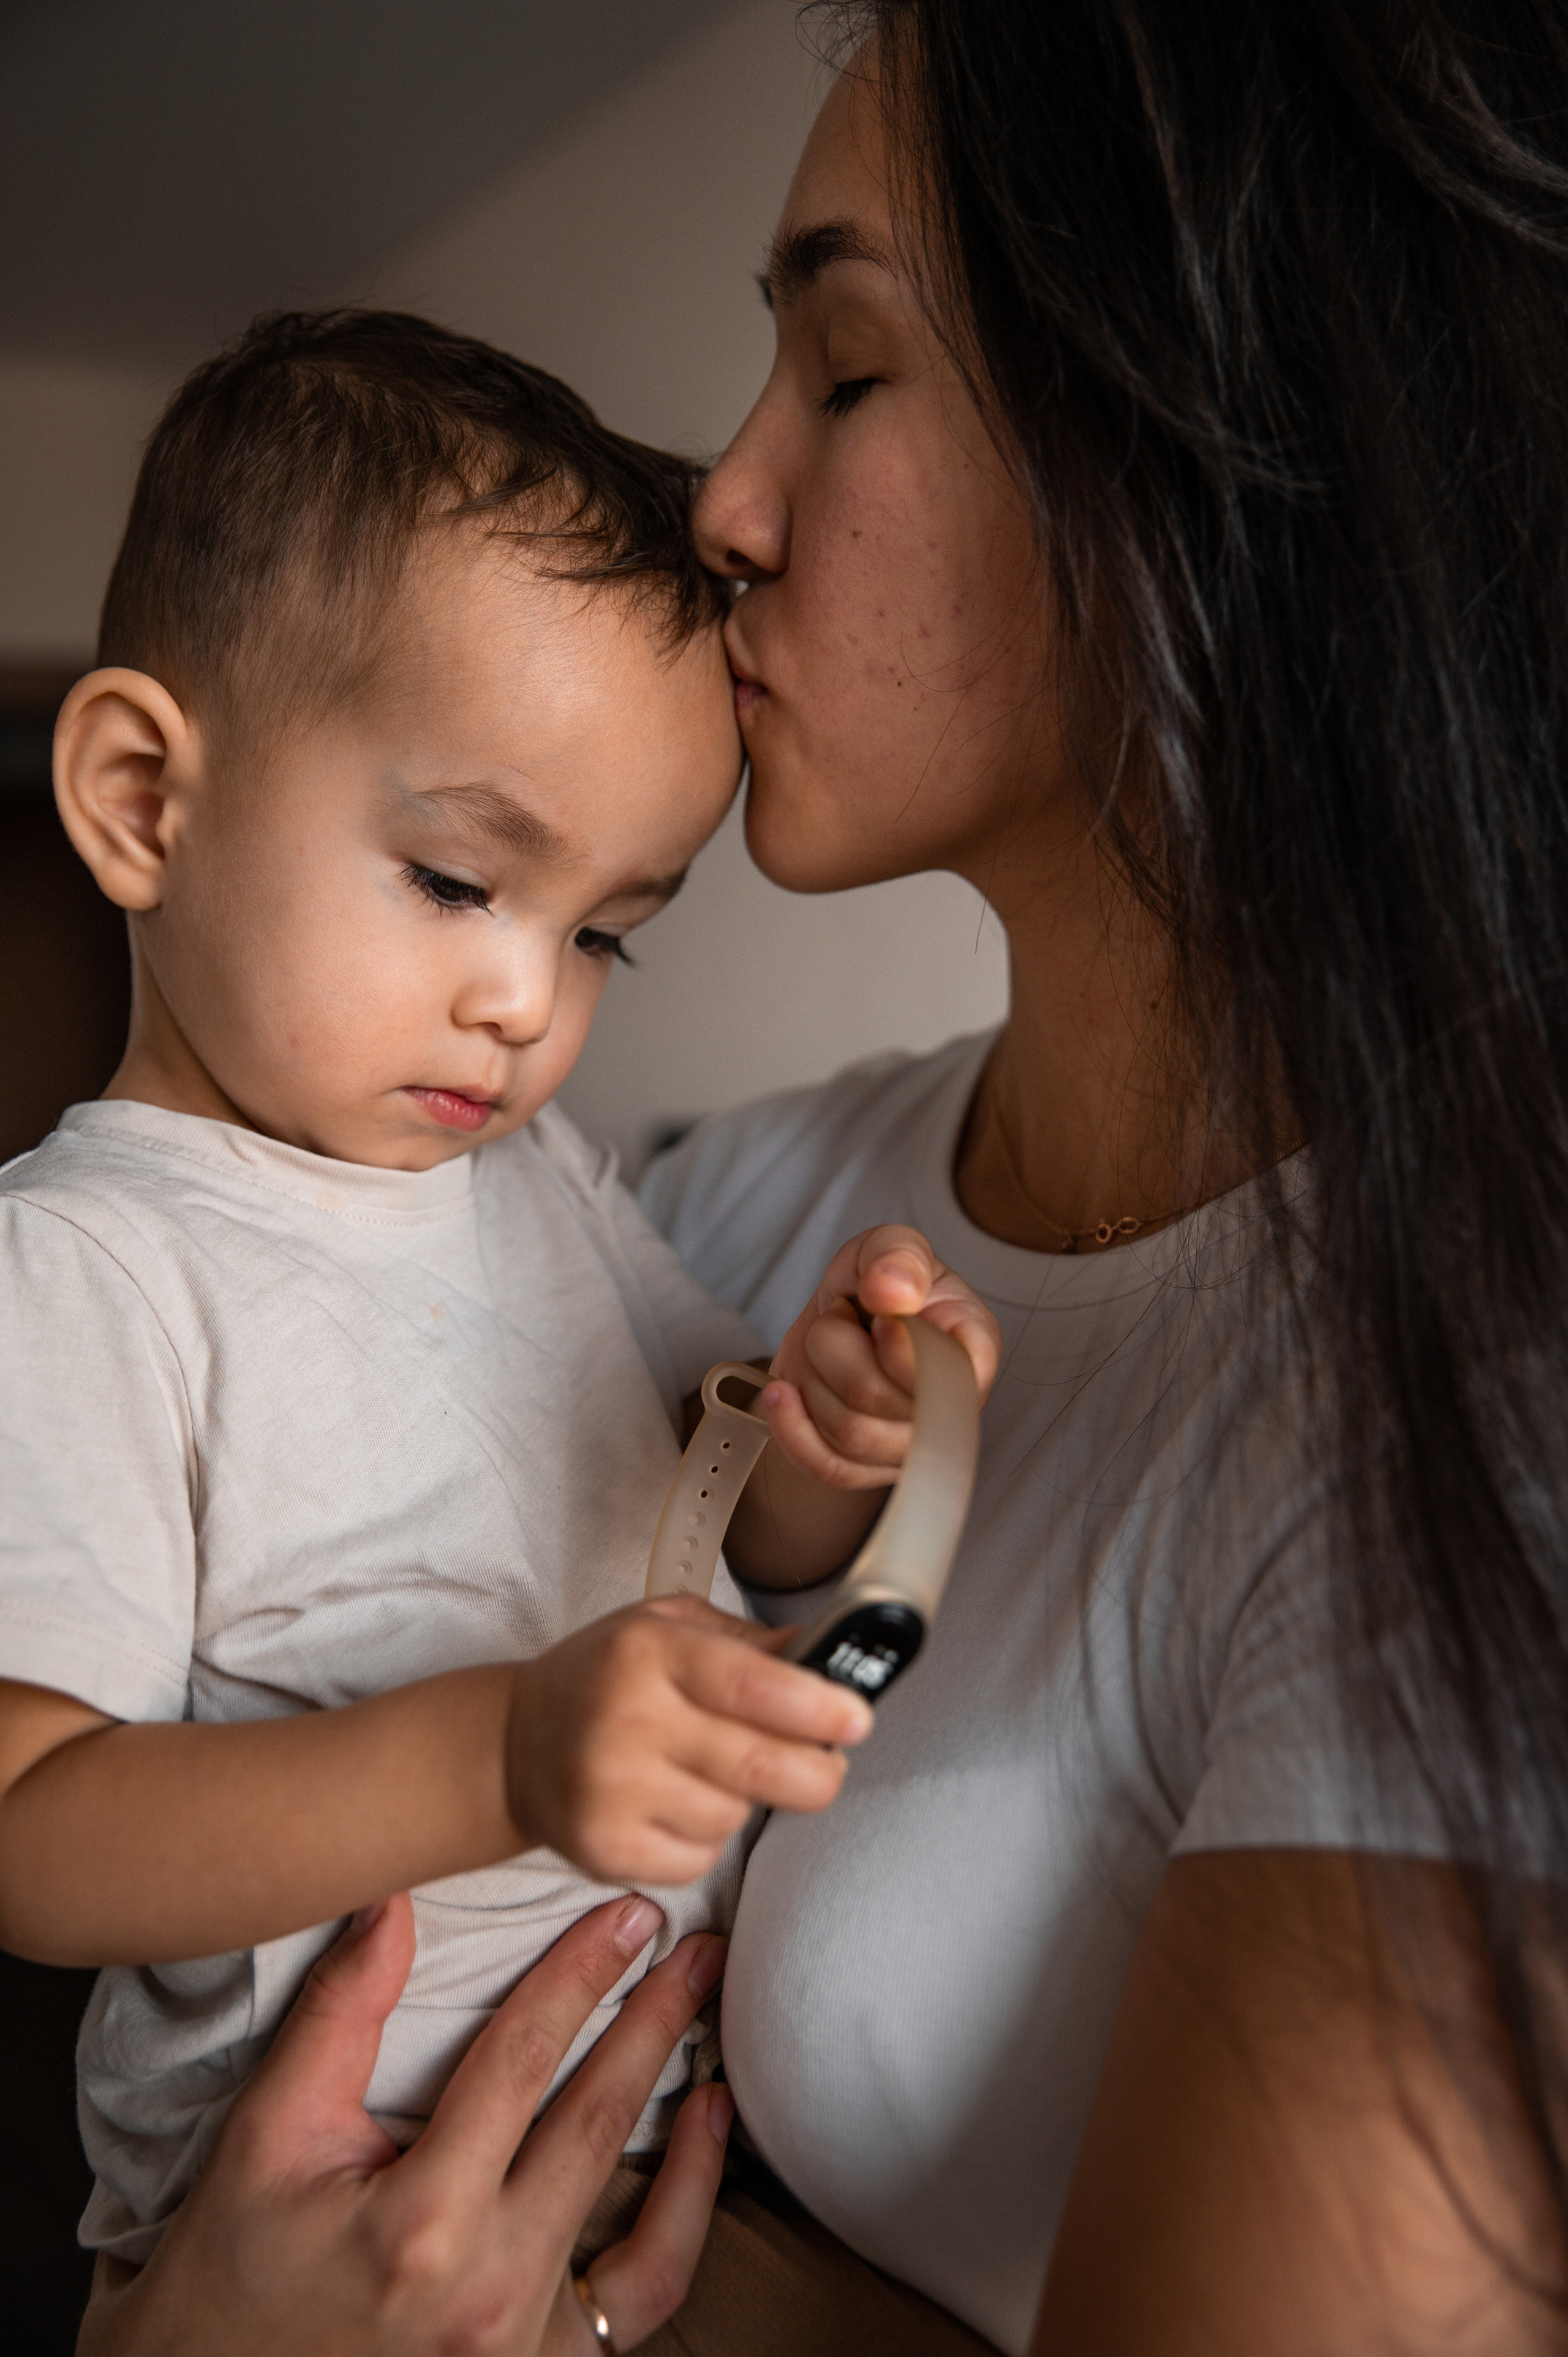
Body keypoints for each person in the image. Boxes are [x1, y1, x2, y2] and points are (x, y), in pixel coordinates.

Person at [77, 1, 1568, 2350]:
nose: (723, 502)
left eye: (848, 373)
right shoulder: (733, 1209)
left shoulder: (1472, 1381)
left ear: (1214, 439)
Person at [0, 309, 1000, 2273]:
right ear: (142, 799)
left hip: (649, 2187)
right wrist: (501, 1759)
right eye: (461, 882)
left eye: (608, 931)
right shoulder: (84, 1267)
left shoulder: (524, 1173)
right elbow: (36, 1837)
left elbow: (725, 1521)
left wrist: (829, 1427)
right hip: (322, 2232)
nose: (527, 1001)